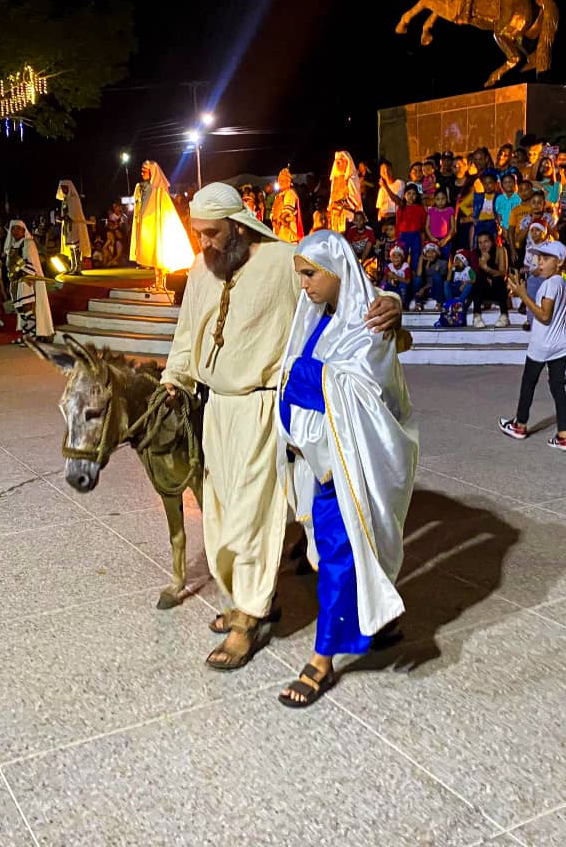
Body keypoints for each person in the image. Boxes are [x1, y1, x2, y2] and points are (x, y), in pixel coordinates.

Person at [159, 183, 402, 670]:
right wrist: (173, 381)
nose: (204, 243)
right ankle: (251, 600)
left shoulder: (282, 261)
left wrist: (391, 301)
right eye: (198, 233)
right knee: (222, 515)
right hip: (216, 409)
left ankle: (250, 617)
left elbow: (348, 289)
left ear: (238, 224)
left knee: (253, 515)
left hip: (263, 408)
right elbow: (188, 335)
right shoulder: (200, 271)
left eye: (212, 233)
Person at [275, 229, 418, 707]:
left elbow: (365, 391)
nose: (305, 286)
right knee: (356, 545)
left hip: (356, 460)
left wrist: (298, 377)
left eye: (311, 274)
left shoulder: (371, 316)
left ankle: (322, 659)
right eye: (301, 276)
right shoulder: (320, 315)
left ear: (339, 270)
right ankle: (380, 619)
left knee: (341, 550)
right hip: (328, 458)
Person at [499, 241, 566, 449]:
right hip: (561, 344)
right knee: (557, 388)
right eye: (539, 258)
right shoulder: (560, 282)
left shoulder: (550, 284)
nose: (540, 263)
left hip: (543, 344)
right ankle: (563, 436)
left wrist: (523, 295)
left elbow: (544, 315)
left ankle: (520, 425)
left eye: (546, 259)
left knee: (528, 384)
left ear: (559, 262)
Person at [129, 161, 195, 289]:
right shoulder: (142, 187)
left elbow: (162, 208)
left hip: (159, 226)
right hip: (148, 226)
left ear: (152, 172)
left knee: (160, 253)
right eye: (141, 170)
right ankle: (157, 281)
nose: (142, 173)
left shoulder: (159, 189)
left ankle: (161, 282)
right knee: (153, 253)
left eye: (145, 170)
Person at [5, 219, 54, 346]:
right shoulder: (12, 245)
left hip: (26, 280)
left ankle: (32, 337)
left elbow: (30, 263)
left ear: (23, 230)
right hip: (15, 281)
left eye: (18, 228)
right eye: (13, 229)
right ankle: (26, 335)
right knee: (20, 309)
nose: (15, 231)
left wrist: (20, 267)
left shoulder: (28, 243)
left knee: (27, 307)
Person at [472, 230, 510, 327]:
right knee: (479, 279)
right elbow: (473, 277)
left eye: (486, 241)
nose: (483, 245)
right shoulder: (476, 254)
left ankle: (504, 316)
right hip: (482, 291)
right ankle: (476, 316)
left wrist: (486, 268)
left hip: (498, 289)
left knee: (498, 279)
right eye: (480, 242)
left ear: (492, 242)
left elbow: (503, 273)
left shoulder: (500, 250)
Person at [54, 179, 91, 273]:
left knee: (76, 246)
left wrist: (65, 217)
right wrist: (61, 218)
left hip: (74, 225)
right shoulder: (64, 200)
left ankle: (78, 267)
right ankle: (73, 266)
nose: (63, 190)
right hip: (67, 226)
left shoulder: (74, 199)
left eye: (65, 188)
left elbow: (75, 214)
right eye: (62, 188)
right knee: (70, 247)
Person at [327, 150, 361, 233]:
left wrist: (340, 206)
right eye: (337, 162)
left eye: (341, 162)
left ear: (347, 163)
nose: (338, 165)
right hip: (335, 217)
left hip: (347, 217)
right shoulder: (335, 180)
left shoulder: (351, 179)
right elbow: (332, 197)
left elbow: (355, 200)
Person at [270, 168, 304, 244]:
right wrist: (273, 219)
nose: (280, 182)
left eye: (283, 180)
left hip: (287, 231)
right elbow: (273, 211)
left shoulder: (290, 193)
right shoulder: (278, 196)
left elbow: (287, 212)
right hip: (278, 230)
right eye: (279, 180)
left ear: (288, 181)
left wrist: (280, 219)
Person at [375, 159, 405, 225]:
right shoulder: (381, 190)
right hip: (383, 220)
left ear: (391, 170)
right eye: (383, 171)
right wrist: (379, 220)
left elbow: (399, 202)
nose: (386, 173)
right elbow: (379, 208)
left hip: (394, 218)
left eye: (388, 169)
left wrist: (385, 187)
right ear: (381, 174)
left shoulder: (399, 183)